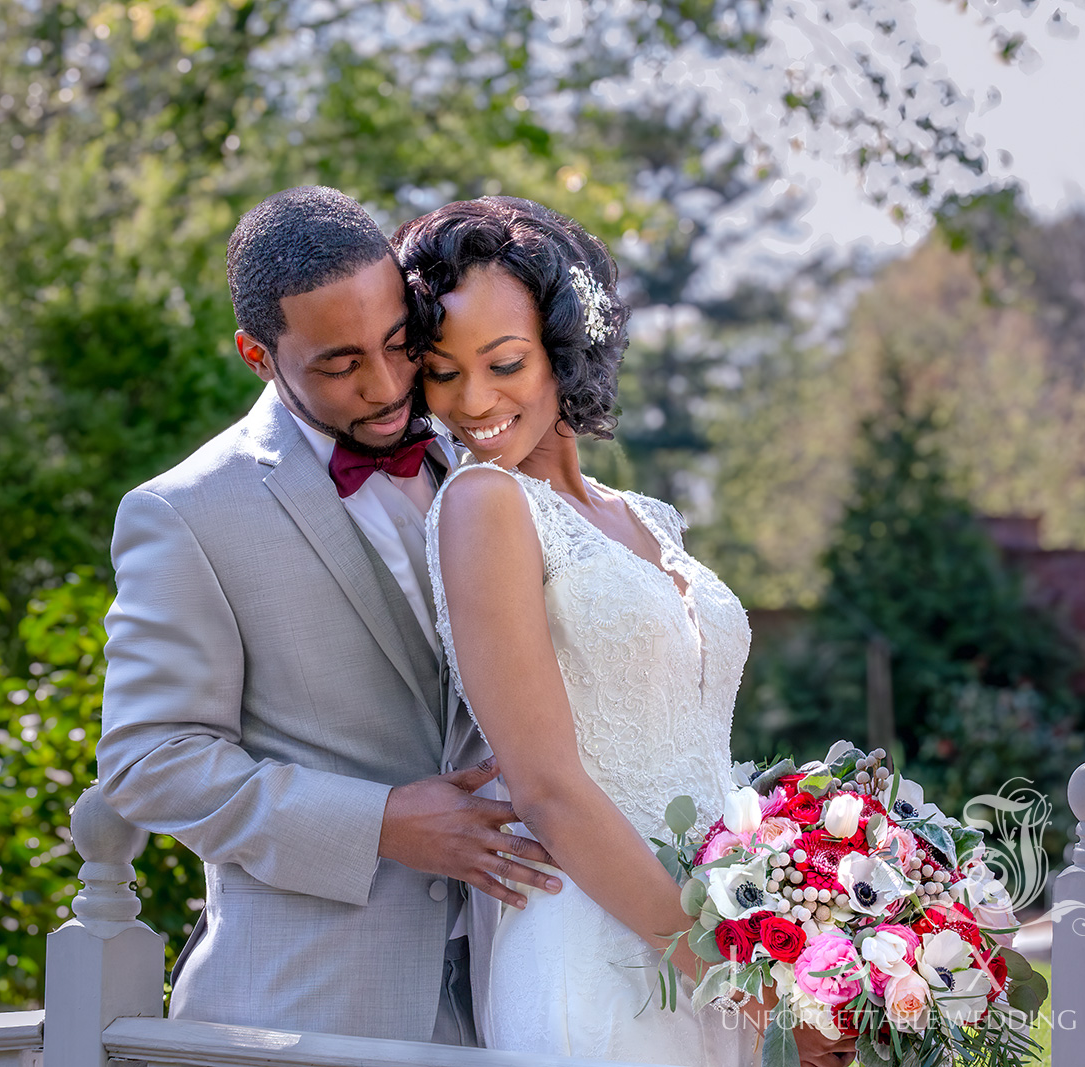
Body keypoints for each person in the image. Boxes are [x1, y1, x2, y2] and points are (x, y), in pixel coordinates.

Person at [393, 197, 860, 1066]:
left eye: (504, 362)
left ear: (565, 349)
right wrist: (738, 981)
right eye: (442, 373)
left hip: (717, 925)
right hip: (598, 946)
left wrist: (799, 914)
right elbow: (547, 788)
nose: (474, 402)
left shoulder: (646, 516)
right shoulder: (481, 504)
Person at [95, 186, 562, 1045]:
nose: (387, 388)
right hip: (303, 1014)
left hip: (517, 993)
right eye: (341, 364)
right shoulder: (188, 512)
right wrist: (378, 822)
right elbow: (147, 759)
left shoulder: (481, 447)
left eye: (397, 343)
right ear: (257, 355)